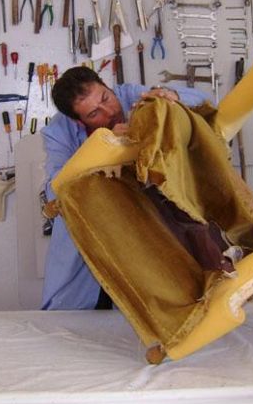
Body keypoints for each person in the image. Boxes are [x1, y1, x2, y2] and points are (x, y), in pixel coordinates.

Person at [41, 66, 212, 310]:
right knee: (71, 316)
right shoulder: (58, 132)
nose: (110, 111)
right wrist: (104, 147)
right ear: (78, 121)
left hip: (140, 223)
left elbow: (206, 102)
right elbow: (55, 188)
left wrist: (172, 96)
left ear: (107, 85)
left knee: (155, 304)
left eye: (105, 98)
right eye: (94, 114)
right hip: (89, 229)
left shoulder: (131, 95)